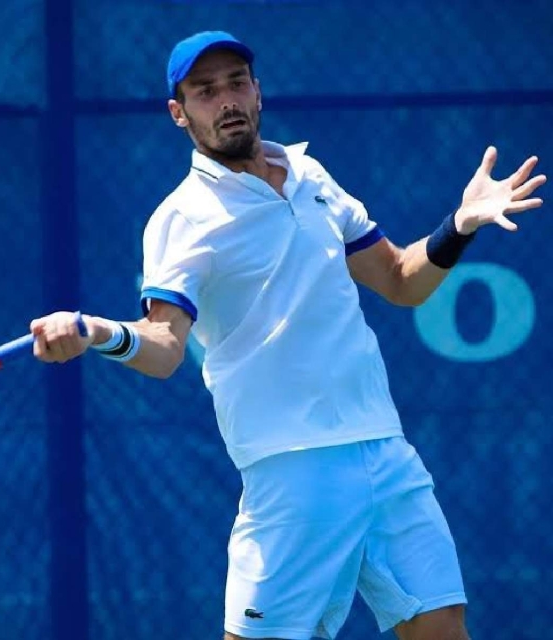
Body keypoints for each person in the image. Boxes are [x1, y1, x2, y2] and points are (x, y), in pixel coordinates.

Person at [30, 31, 546, 640]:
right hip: (291, 474)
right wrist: (96, 331)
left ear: (256, 90)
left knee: (442, 628)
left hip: (384, 451)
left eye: (236, 83)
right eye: (204, 91)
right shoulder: (181, 218)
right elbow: (165, 347)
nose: (225, 100)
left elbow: (402, 280)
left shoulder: (310, 174)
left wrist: (458, 226)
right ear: (179, 112)